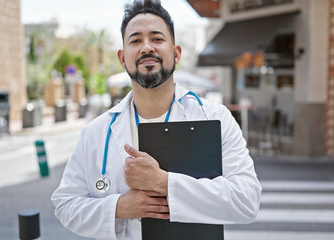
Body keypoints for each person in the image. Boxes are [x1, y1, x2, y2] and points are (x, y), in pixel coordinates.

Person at [51, 0, 262, 239]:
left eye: (157, 38)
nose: (146, 47)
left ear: (176, 53)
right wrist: (118, 207)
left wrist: (163, 182)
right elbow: (65, 205)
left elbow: (247, 200)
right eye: (135, 40)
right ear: (122, 59)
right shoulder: (96, 133)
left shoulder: (215, 118)